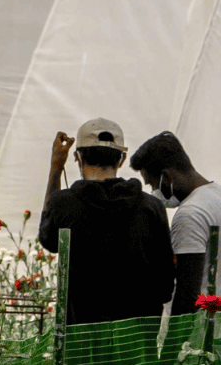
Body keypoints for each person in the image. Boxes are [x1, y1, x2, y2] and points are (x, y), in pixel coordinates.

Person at [37, 117, 175, 325]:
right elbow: (165, 285)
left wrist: (56, 168)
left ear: (78, 158)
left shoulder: (63, 203)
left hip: (83, 338)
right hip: (136, 341)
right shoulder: (151, 207)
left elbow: (48, 240)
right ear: (121, 159)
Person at [129, 131, 221, 315]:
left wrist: (175, 339)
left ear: (167, 176)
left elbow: (188, 294)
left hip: (203, 324)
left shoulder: (191, 213)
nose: (154, 191)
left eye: (153, 184)